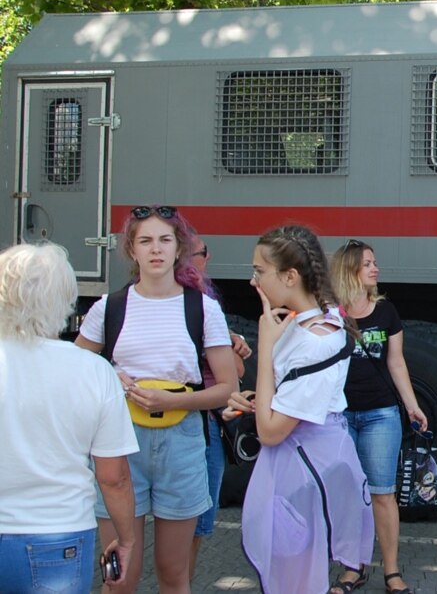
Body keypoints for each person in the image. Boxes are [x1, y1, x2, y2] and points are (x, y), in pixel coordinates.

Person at [75, 205, 239, 594]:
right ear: (131, 249)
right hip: (119, 442)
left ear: (178, 247)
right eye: (145, 240)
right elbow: (74, 371)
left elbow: (227, 389)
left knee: (172, 574)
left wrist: (172, 401)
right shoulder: (109, 307)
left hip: (181, 442)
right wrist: (111, 376)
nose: (156, 250)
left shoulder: (203, 308)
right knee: (119, 578)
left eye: (165, 240)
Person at [225, 225, 375, 594]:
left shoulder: (314, 338)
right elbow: (289, 397)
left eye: (259, 271)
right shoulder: (314, 320)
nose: (253, 280)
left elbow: (272, 431)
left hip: (302, 472)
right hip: (308, 464)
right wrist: (256, 400)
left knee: (294, 578)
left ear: (290, 276)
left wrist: (263, 348)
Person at [0, 244, 139, 593]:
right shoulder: (93, 370)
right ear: (65, 299)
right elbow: (114, 478)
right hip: (55, 531)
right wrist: (126, 539)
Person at [329, 239, 428, 594]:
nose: (375, 268)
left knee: (382, 493)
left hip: (380, 414)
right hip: (338, 416)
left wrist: (412, 405)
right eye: (368, 263)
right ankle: (352, 568)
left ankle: (391, 570)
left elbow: (396, 362)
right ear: (349, 269)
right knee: (349, 495)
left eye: (375, 262)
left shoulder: (386, 312)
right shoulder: (330, 313)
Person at [187, 238, 252, 582]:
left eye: (198, 253)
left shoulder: (208, 305)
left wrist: (231, 341)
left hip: (208, 421)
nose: (200, 259)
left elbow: (237, 374)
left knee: (198, 522)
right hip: (185, 421)